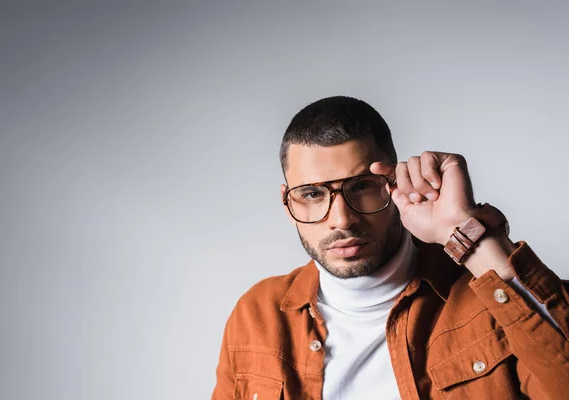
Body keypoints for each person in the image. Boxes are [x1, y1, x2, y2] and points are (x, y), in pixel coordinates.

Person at [211, 96, 569, 399]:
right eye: (312, 194)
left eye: (362, 186)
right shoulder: (255, 315)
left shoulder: (490, 298)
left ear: (393, 184)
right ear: (288, 203)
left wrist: (468, 232)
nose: (342, 219)